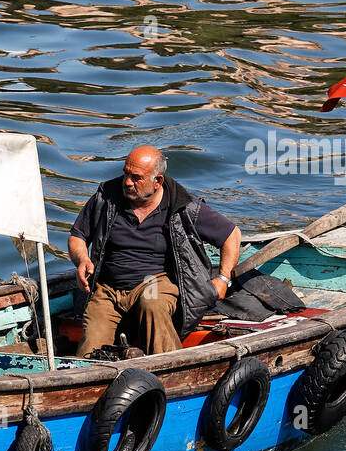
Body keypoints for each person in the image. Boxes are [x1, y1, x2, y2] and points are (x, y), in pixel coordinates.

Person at [67, 146, 241, 356]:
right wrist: (82, 259)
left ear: (157, 181)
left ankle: (170, 370)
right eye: (126, 174)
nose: (128, 182)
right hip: (108, 289)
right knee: (91, 343)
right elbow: (77, 236)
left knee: (153, 304)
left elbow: (232, 235)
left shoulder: (183, 206)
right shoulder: (106, 198)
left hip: (155, 281)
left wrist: (223, 278)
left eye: (136, 177)